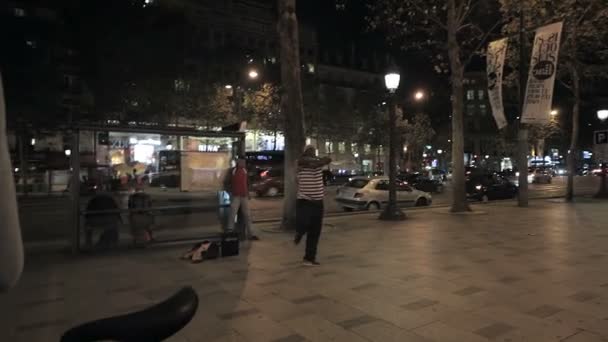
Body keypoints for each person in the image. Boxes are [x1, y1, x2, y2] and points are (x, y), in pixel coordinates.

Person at [294, 146, 331, 266]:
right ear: (305, 153)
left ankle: (309, 258)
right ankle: (299, 232)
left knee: (315, 231)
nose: (312, 153)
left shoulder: (317, 163)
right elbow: (301, 162)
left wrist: (316, 162)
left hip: (318, 202)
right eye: (310, 152)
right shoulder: (300, 163)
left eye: (314, 152)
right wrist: (315, 162)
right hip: (305, 199)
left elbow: (327, 159)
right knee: (304, 223)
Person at [224, 156, 258, 240]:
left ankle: (251, 233)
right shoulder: (232, 171)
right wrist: (230, 192)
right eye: (242, 162)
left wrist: (248, 193)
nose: (243, 163)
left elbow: (247, 183)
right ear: (238, 162)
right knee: (233, 213)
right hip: (235, 195)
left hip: (244, 196)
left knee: (247, 215)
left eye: (244, 162)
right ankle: (230, 230)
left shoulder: (245, 170)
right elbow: (226, 182)